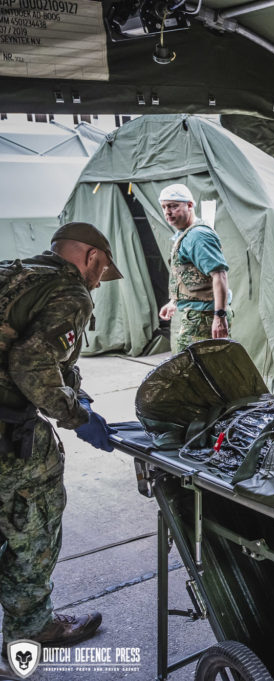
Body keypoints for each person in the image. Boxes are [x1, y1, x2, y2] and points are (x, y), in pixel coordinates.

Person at [0, 222, 123, 656]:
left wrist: (77, 393)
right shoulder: (70, 291)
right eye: (101, 270)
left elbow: (40, 351)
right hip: (6, 428)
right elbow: (31, 363)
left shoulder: (16, 276)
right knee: (35, 511)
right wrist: (75, 416)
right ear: (91, 257)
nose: (98, 282)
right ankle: (32, 627)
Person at [157, 183, 231, 352]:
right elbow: (192, 276)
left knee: (194, 370)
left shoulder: (198, 236)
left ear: (190, 205)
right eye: (164, 207)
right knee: (195, 369)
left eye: (173, 206)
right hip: (194, 314)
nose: (167, 212)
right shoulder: (185, 234)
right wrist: (175, 301)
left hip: (203, 317)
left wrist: (219, 316)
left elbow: (219, 275)